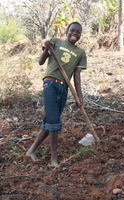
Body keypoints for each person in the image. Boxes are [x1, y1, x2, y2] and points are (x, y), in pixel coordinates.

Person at [26, 22, 87, 167]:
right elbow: (41, 62)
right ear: (67, 31)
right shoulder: (56, 42)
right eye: (72, 30)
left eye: (78, 32)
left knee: (51, 120)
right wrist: (46, 48)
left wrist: (79, 96)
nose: (75, 33)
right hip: (50, 84)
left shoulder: (80, 52)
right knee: (54, 121)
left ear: (80, 34)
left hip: (64, 88)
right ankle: (54, 158)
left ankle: (31, 150)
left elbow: (77, 75)